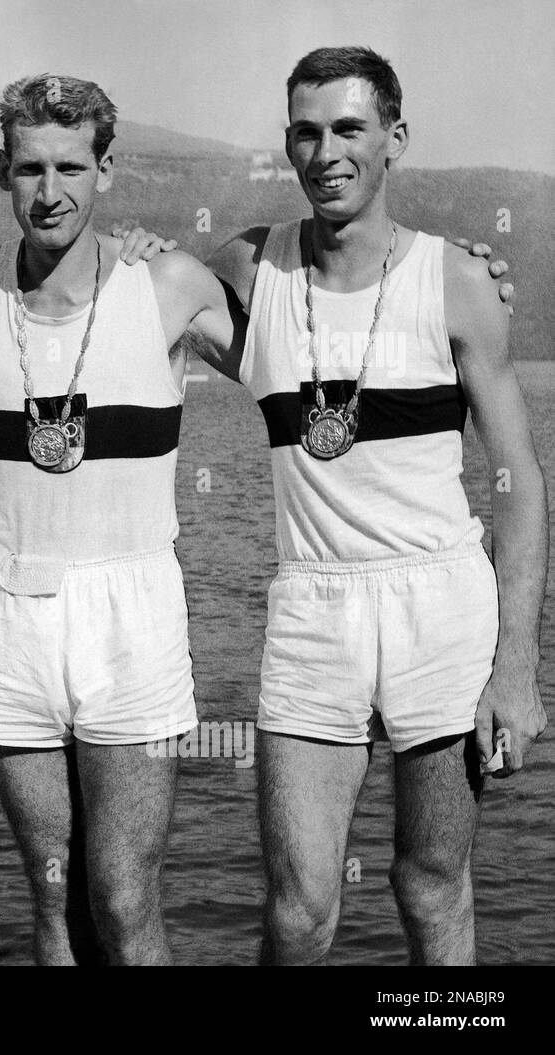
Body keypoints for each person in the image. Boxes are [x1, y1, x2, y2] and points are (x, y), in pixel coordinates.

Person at [119, 46, 544, 964]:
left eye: (350, 129)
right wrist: (140, 250)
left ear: (395, 139)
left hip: (442, 606)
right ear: (288, 145)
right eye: (307, 133)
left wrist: (517, 667)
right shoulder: (251, 263)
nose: (328, 153)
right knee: (300, 911)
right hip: (315, 608)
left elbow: (519, 485)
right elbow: (131, 302)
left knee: (431, 888)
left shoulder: (458, 281)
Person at [0, 74, 243, 965]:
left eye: (69, 167)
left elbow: (305, 350)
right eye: (28, 169)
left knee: (125, 898)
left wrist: (474, 286)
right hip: (10, 611)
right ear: (0, 170)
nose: (48, 193)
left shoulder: (165, 282)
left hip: (130, 607)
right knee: (51, 893)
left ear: (105, 168)